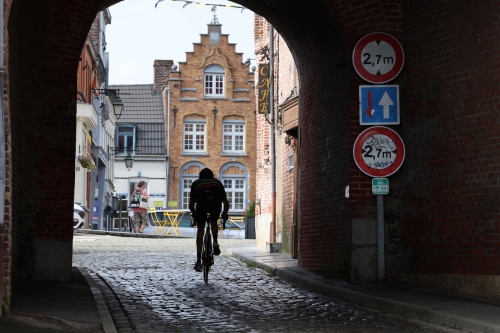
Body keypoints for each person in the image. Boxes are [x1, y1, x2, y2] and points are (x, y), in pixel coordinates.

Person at [189, 168, 229, 272]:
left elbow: (191, 203)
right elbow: (225, 202)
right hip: (215, 205)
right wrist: (224, 213)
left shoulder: (196, 183)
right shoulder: (217, 182)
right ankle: (215, 242)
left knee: (200, 231)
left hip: (201, 207)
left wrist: (194, 214)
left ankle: (198, 261)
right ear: (212, 175)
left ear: (200, 176)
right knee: (213, 221)